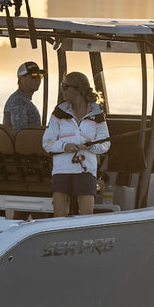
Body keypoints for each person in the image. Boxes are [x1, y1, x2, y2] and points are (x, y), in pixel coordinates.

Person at [42, 71, 110, 217]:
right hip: (61, 170)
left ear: (78, 89)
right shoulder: (58, 113)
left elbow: (105, 144)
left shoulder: (97, 115)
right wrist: (64, 146)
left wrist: (91, 146)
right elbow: (47, 142)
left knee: (87, 217)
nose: (62, 90)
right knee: (59, 218)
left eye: (65, 86)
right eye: (62, 86)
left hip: (86, 171)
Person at [4, 60, 44, 131]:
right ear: (21, 78)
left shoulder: (23, 100)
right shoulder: (19, 102)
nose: (38, 79)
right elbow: (20, 134)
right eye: (33, 76)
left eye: (40, 76)